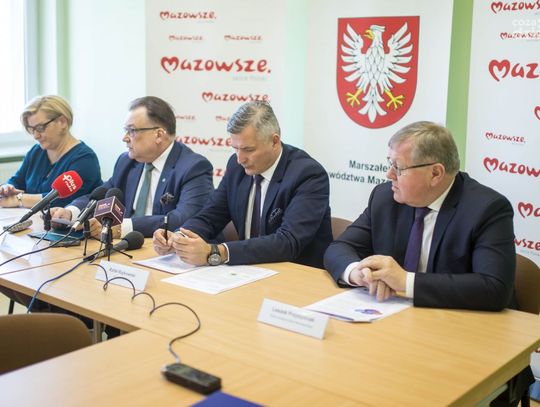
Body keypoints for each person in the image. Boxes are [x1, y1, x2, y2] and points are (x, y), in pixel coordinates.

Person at [324, 121, 531, 406]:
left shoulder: (487, 209)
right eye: (389, 163)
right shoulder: (385, 197)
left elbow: (493, 288)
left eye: (398, 167)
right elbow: (340, 247)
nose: (389, 174)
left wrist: (405, 282)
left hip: (469, 346)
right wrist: (358, 273)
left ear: (435, 173)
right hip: (398, 335)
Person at [153, 101, 332, 268]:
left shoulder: (308, 175)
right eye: (235, 148)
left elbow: (288, 242)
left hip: (295, 274)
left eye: (248, 149)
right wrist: (179, 238)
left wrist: (217, 252)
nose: (240, 159)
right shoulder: (236, 166)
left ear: (274, 141)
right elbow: (210, 216)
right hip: (247, 271)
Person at [50, 96, 214, 238]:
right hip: (127, 246)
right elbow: (101, 196)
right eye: (125, 130)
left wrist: (123, 227)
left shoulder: (193, 168)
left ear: (159, 134)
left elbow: (184, 219)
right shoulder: (127, 162)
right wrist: (71, 212)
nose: (125, 138)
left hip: (166, 252)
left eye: (132, 131)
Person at [0, 95, 102, 208]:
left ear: (62, 122)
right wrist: (7, 188)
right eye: (31, 129)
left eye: (40, 128)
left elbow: (63, 200)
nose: (35, 135)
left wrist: (19, 199)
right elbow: (17, 181)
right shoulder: (36, 151)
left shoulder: (85, 158)